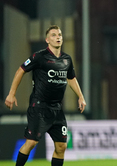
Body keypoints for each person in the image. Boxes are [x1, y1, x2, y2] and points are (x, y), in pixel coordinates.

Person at [4, 25, 86, 166]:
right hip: (39, 107)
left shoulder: (67, 59)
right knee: (31, 143)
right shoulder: (39, 57)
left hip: (57, 110)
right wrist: (11, 94)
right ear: (47, 40)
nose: (58, 37)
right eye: (53, 35)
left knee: (61, 146)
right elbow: (20, 70)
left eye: (59, 34)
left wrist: (81, 96)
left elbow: (71, 78)